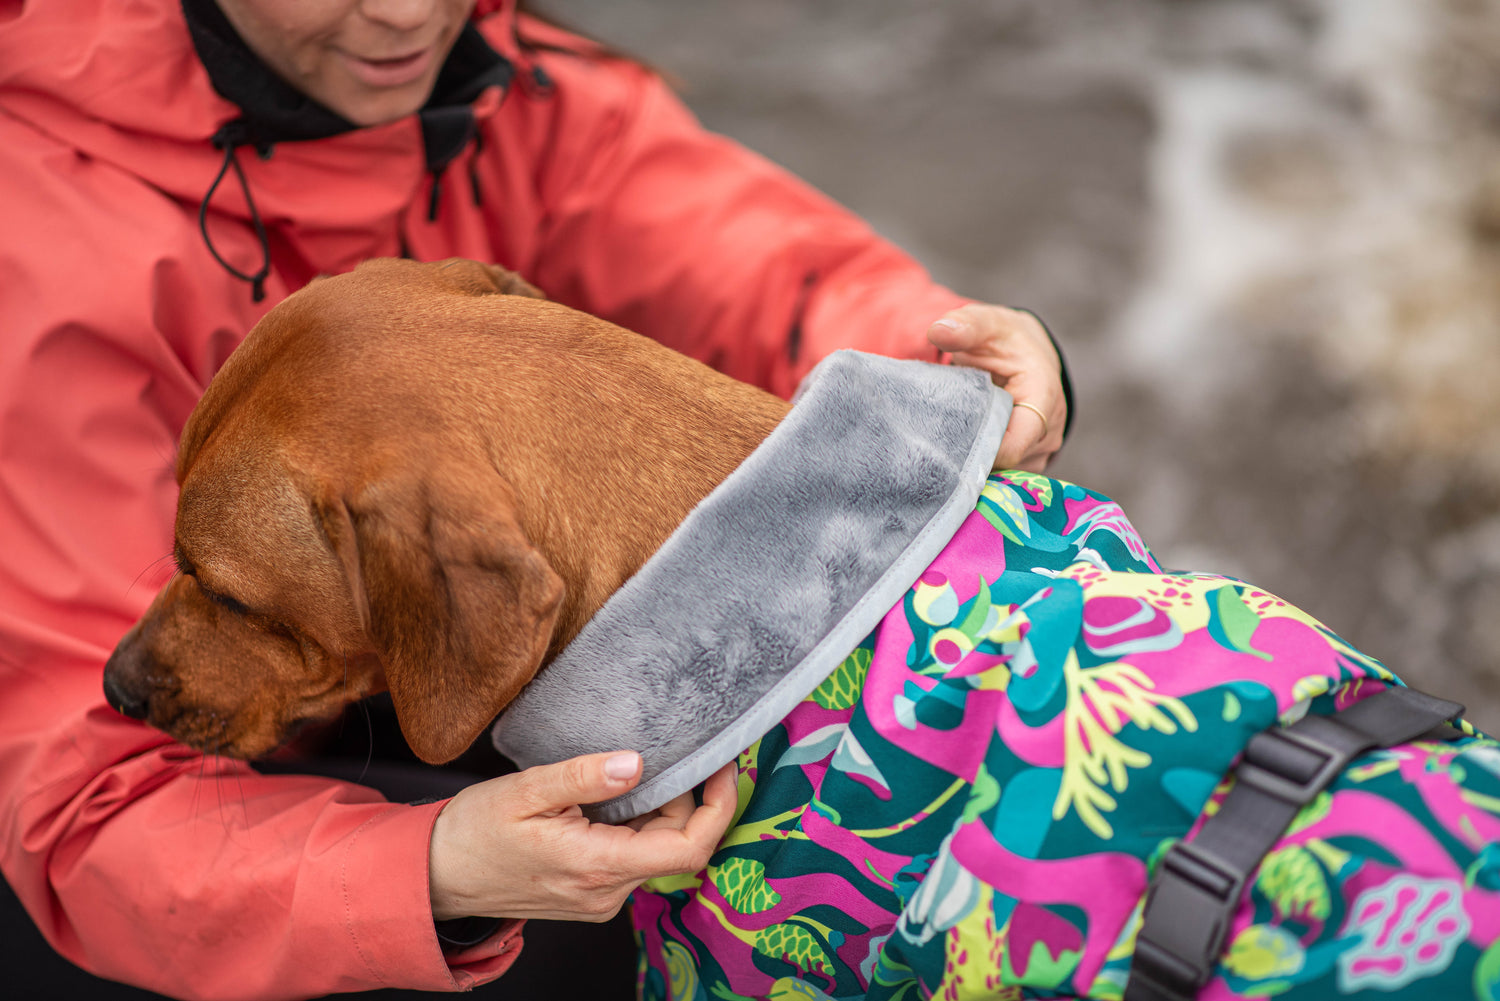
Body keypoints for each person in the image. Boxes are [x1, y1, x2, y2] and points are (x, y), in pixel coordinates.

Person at [0, 0, 1070, 998]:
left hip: (416, 645)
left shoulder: (512, 91)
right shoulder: (45, 262)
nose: (409, 12)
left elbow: (765, 274)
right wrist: (436, 871)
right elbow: (83, 808)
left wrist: (951, 346)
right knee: (636, 923)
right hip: (96, 844)